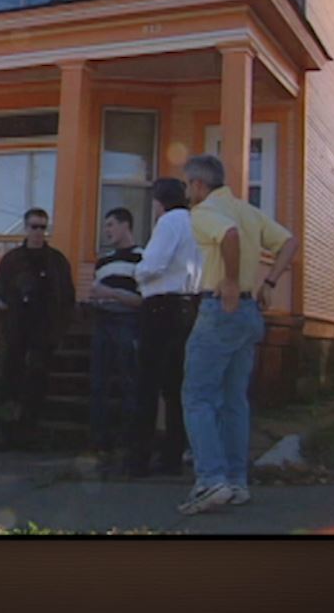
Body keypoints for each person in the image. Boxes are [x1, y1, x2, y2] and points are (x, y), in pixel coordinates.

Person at [176, 154, 299, 515]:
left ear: (198, 185)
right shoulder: (247, 210)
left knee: (197, 395)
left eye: (187, 185)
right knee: (233, 400)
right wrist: (269, 281)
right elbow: (288, 243)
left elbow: (227, 235)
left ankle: (211, 480)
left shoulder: (203, 213)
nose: (187, 192)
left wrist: (229, 281)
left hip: (220, 308)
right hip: (249, 311)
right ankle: (235, 482)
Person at [126, 178, 202, 478]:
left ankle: (138, 459)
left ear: (159, 202)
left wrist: (138, 272)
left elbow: (154, 264)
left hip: (160, 307)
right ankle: (172, 454)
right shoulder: (195, 223)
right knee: (175, 386)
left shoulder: (169, 222)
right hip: (188, 305)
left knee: (146, 384)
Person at [0, 208, 76, 449]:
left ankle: (30, 431)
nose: (38, 232)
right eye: (34, 226)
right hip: (16, 331)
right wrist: (5, 323)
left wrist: (60, 329)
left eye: (42, 227)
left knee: (37, 383)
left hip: (44, 332)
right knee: (10, 383)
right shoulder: (12, 260)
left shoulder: (57, 261)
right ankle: (8, 433)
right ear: (25, 228)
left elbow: (67, 296)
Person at [88, 207, 144, 456]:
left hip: (127, 323)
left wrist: (110, 293)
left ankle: (131, 440)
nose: (107, 230)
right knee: (99, 382)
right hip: (102, 322)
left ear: (125, 225)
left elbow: (141, 300)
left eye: (111, 225)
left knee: (129, 381)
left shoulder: (142, 258)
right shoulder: (103, 261)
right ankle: (101, 440)